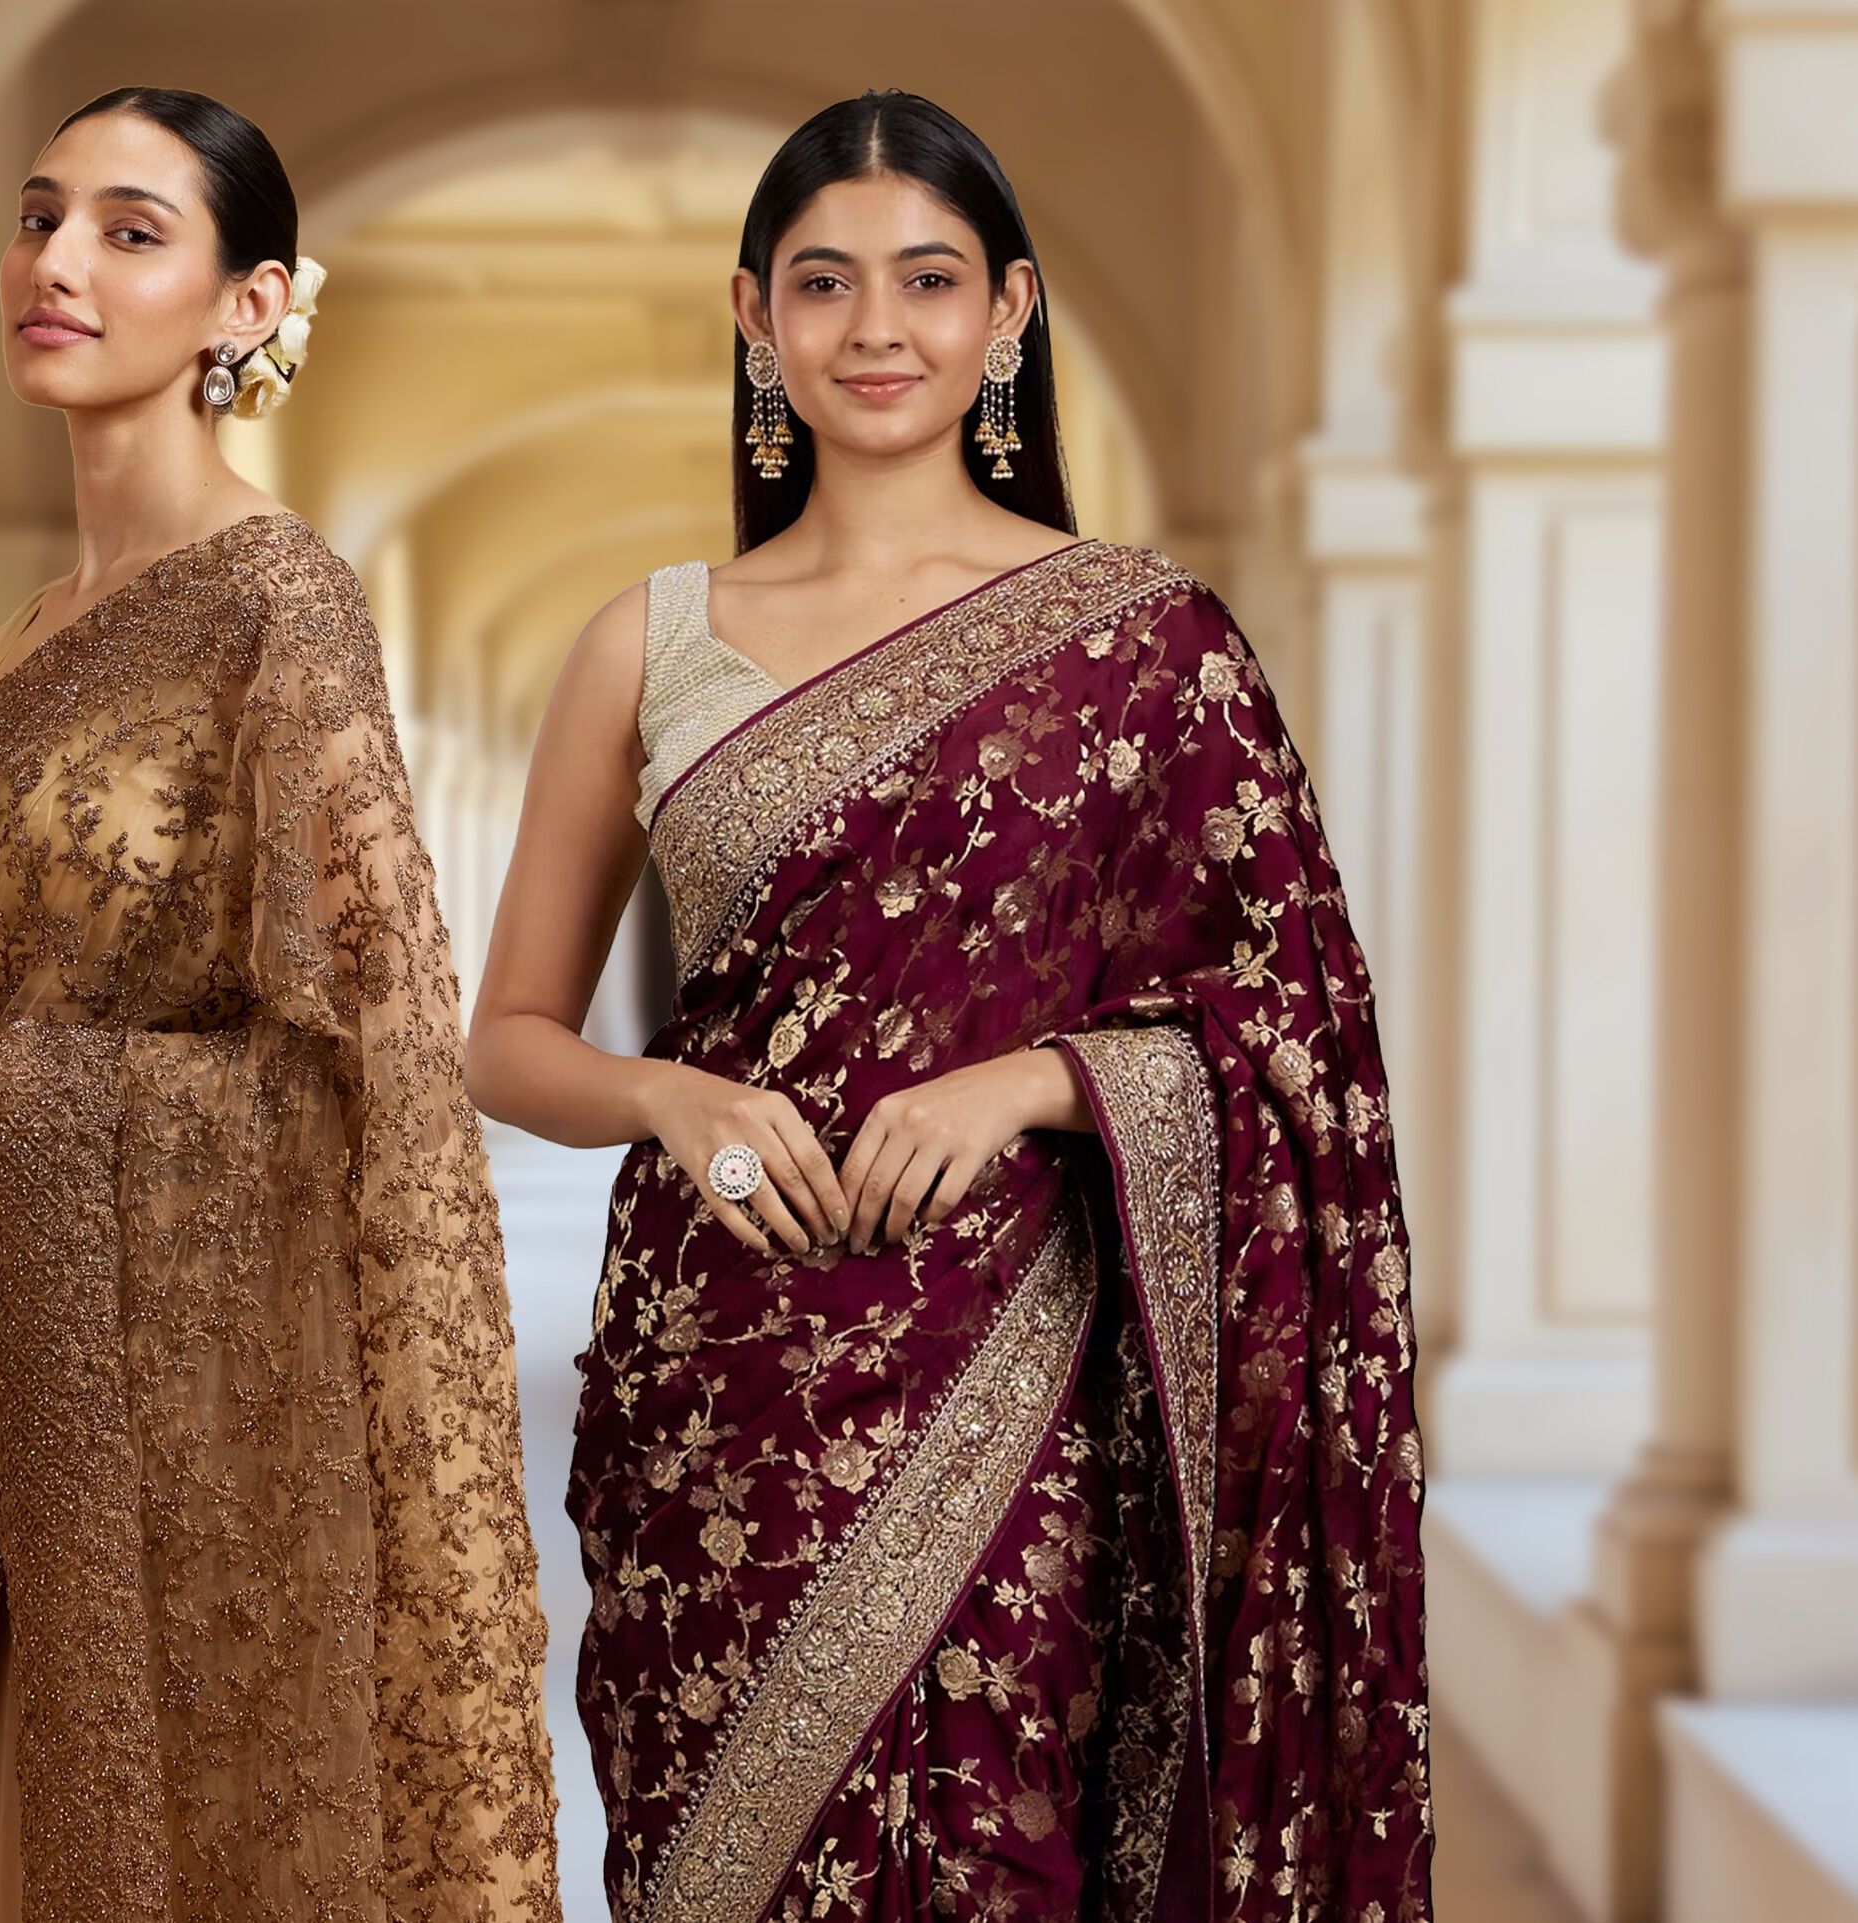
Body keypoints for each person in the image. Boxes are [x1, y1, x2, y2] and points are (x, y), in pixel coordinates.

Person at [466, 91, 1430, 1923]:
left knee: (995, 1853)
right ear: (754, 319)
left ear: (1012, 310)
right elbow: (508, 1037)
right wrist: (672, 1099)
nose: (877, 329)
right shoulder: (647, 640)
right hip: (718, 1387)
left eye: (927, 280)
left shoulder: (1146, 642)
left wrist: (1038, 1083)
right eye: (824, 286)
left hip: (1028, 1377)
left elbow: (1296, 1026)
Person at [0, 87, 559, 1923]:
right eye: (39, 215)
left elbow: (363, 1086)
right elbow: (16, 1011)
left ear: (251, 304)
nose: (55, 262)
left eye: (132, 232)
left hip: (199, 1444)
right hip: (15, 1372)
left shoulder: (278, 609)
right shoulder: (19, 640)